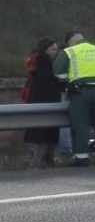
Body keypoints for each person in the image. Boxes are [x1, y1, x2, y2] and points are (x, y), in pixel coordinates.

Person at [53, 31, 95, 167]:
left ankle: (82, 158)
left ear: (70, 42)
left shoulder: (69, 52)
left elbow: (58, 74)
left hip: (80, 92)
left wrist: (67, 84)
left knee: (80, 125)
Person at [21, 38, 63, 168]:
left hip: (35, 100)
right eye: (53, 49)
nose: (55, 52)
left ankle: (33, 159)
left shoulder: (35, 59)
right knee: (45, 130)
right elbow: (46, 80)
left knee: (35, 129)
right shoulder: (44, 60)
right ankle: (43, 160)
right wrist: (59, 81)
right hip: (46, 100)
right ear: (46, 49)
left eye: (56, 49)